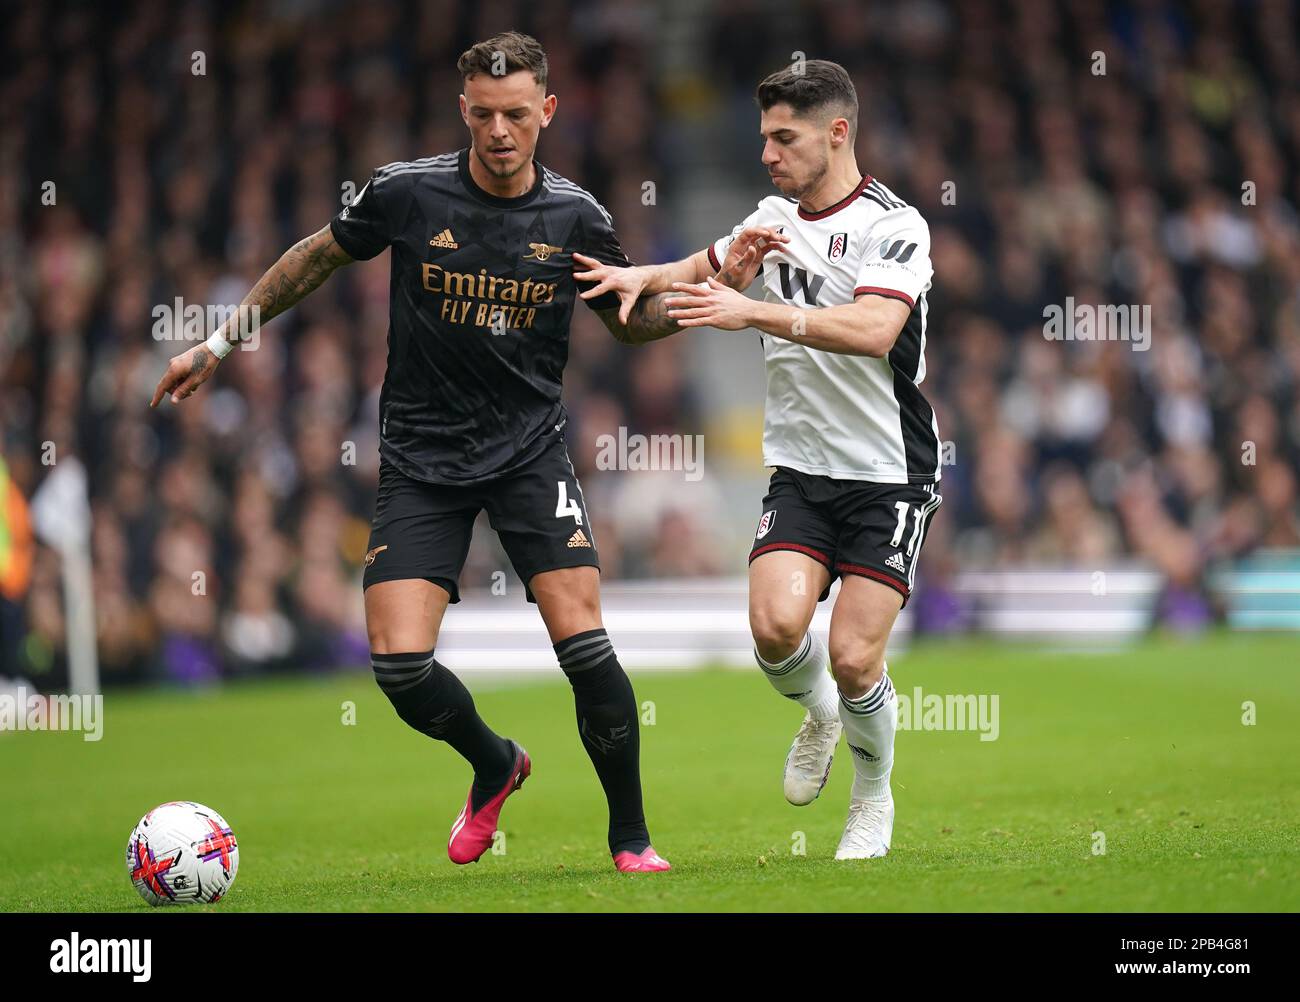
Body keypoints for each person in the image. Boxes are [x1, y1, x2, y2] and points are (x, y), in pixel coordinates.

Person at [150, 31, 679, 873]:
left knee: (584, 644)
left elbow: (631, 323)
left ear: (546, 111)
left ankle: (630, 839)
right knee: (398, 668)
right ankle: (496, 764)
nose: (499, 131)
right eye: (482, 114)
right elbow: (310, 262)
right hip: (423, 458)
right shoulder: (407, 193)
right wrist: (215, 346)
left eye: (515, 114)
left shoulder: (577, 216)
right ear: (461, 109)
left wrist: (701, 298)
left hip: (530, 454)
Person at [574, 59, 942, 859]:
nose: (769, 154)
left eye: (785, 137)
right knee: (775, 630)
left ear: (837, 132)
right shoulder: (773, 214)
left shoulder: (894, 224)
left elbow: (876, 331)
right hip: (805, 470)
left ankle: (872, 796)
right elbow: (701, 269)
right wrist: (637, 274)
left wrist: (756, 312)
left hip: (890, 473)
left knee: (852, 655)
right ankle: (822, 717)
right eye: (764, 137)